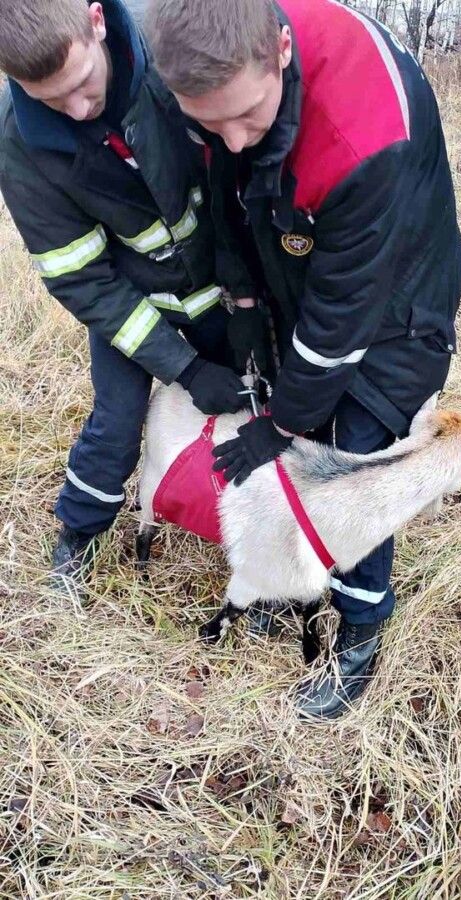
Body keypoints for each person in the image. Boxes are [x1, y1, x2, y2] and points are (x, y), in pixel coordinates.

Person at [146, 0, 461, 719]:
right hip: (297, 261)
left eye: (249, 120)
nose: (230, 140)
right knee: (290, 429)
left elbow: (340, 323)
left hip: (396, 309)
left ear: (281, 51)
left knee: (353, 452)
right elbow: (230, 209)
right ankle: (294, 579)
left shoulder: (363, 133)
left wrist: (287, 419)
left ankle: (361, 624)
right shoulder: (211, 79)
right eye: (210, 123)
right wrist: (245, 316)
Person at [0, 0, 262, 594]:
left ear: (97, 22)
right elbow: (79, 278)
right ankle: (78, 533)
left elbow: (239, 179)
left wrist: (245, 303)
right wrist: (185, 368)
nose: (77, 109)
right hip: (133, 302)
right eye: (49, 99)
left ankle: (256, 546)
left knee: (258, 408)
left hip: (225, 286)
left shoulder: (175, 51)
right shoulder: (19, 142)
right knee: (116, 425)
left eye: (82, 83)